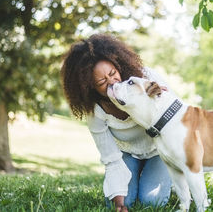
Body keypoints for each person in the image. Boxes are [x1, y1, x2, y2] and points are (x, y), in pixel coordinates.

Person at [61, 34, 172, 211]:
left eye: (113, 74)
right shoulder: (95, 110)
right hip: (126, 155)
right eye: (102, 82)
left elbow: (179, 120)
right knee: (121, 202)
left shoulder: (145, 78)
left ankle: (163, 176)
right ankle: (136, 174)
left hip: (159, 151)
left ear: (119, 66)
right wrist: (119, 200)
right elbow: (111, 158)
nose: (112, 82)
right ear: (90, 87)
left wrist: (159, 99)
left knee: (151, 201)